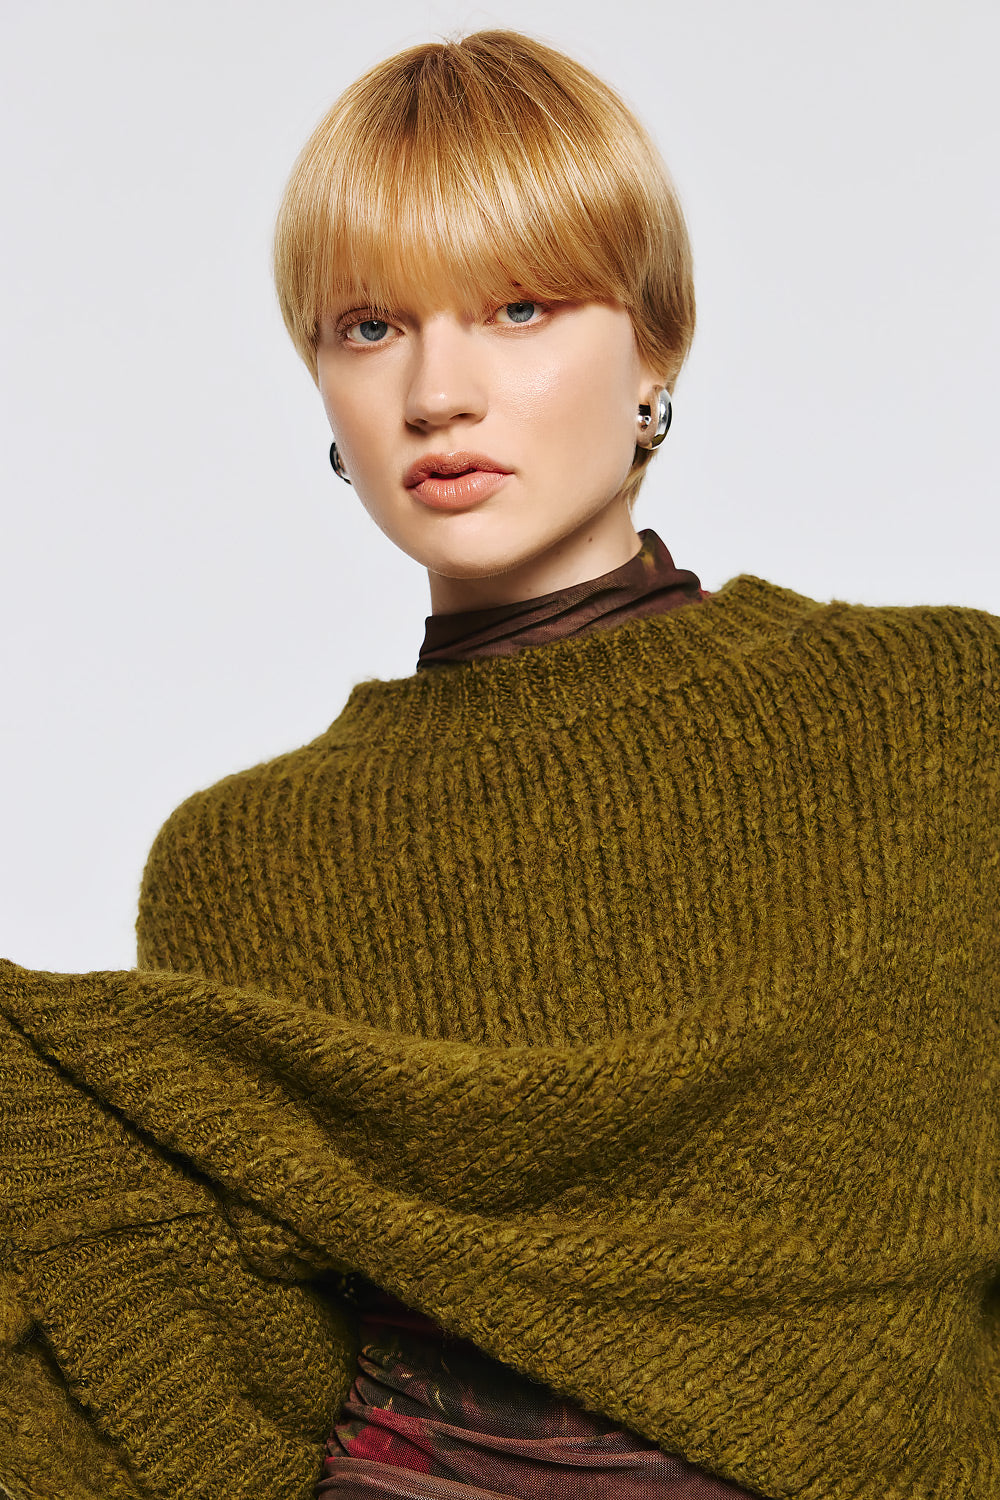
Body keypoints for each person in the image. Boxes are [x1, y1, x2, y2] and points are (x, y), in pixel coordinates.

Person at [1, 27, 999, 1500]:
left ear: (655, 343)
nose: (437, 391)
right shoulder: (237, 862)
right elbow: (223, 1372)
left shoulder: (935, 716)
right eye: (368, 327)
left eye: (519, 307)